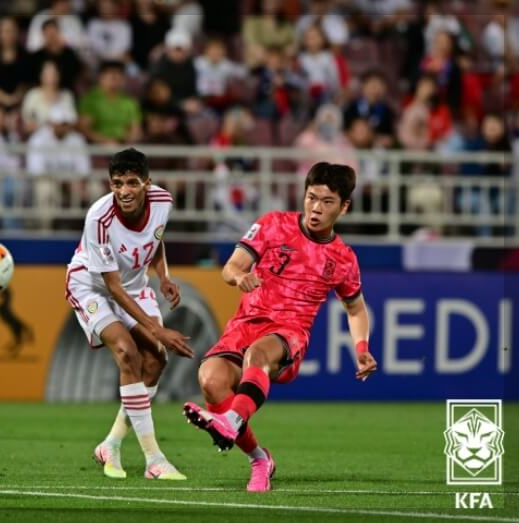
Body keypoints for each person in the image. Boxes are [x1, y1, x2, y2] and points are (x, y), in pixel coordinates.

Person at [182, 162, 378, 492]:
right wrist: (240, 276)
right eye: (311, 197)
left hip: (288, 334)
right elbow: (230, 268)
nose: (316, 208)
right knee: (211, 380)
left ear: (344, 207)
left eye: (327, 201)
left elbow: (355, 309)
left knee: (257, 354)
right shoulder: (273, 224)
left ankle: (230, 421)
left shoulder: (343, 258)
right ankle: (260, 459)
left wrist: (362, 348)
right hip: (245, 324)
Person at [65, 148, 193, 480]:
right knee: (127, 351)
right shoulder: (99, 218)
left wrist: (164, 275)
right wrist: (158, 329)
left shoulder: (163, 201)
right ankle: (154, 460)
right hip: (91, 286)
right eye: (117, 183)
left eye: (132, 183)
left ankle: (111, 443)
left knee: (156, 361)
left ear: (147, 183)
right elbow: (113, 288)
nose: (124, 191)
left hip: (135, 285)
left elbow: (157, 238)